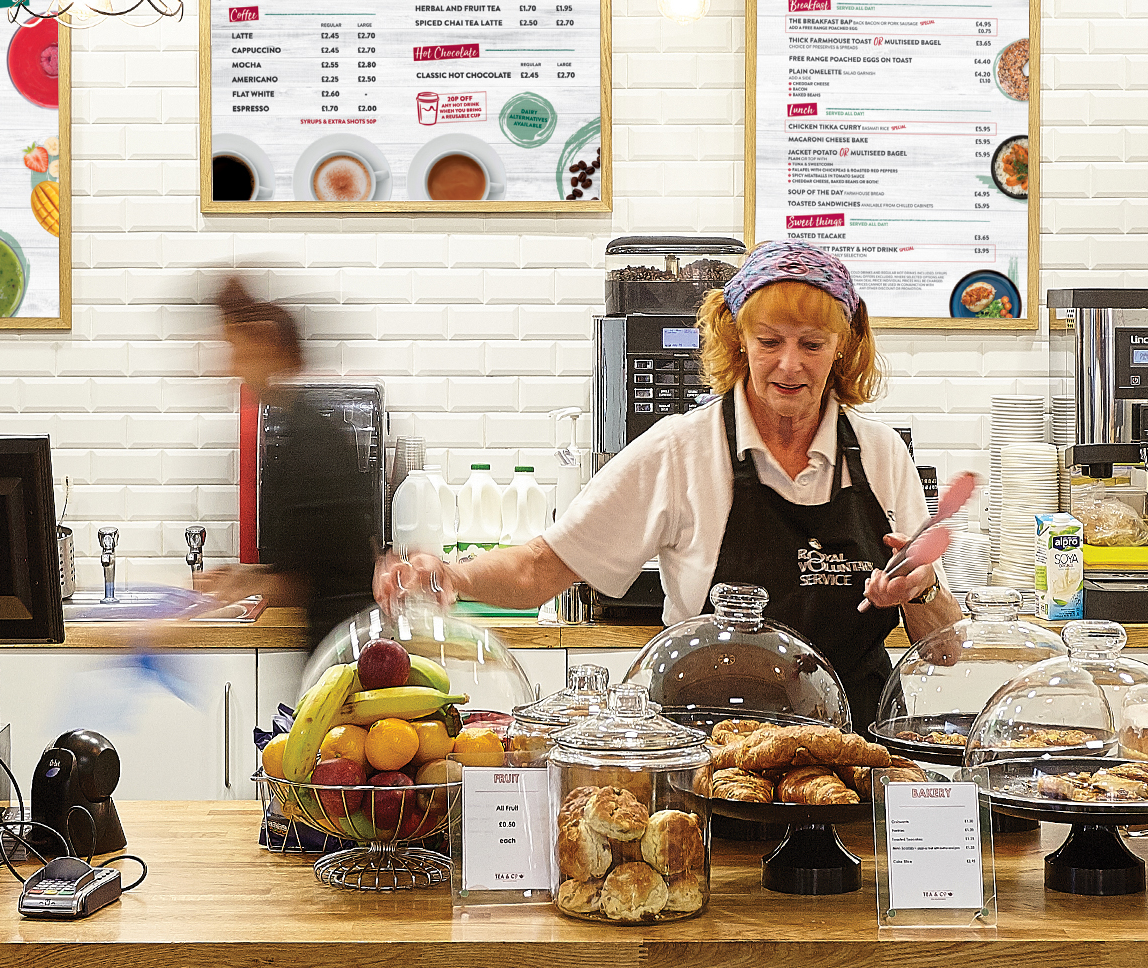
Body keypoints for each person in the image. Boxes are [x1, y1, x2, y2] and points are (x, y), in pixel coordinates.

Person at [379, 241, 963, 720]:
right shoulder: (681, 451)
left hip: (854, 761)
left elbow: (945, 650)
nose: (790, 364)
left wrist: (922, 593)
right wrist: (450, 575)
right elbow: (541, 568)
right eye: (769, 342)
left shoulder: (882, 456)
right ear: (737, 339)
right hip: (709, 761)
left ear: (842, 347)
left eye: (812, 344)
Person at [193, 275, 379, 645]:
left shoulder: (310, 441)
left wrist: (237, 588)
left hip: (345, 649)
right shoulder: (299, 429)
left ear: (266, 346)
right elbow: (307, 562)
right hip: (337, 640)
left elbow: (307, 583)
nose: (229, 366)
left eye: (235, 349)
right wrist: (244, 577)